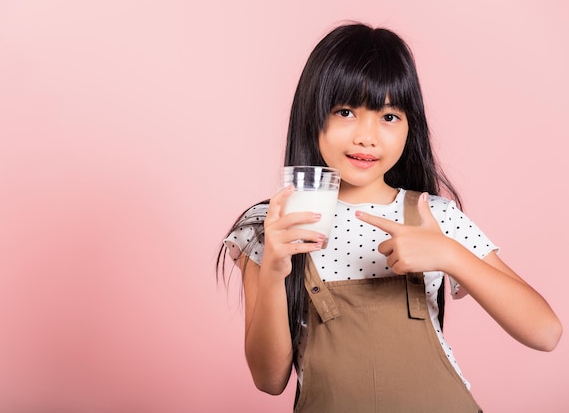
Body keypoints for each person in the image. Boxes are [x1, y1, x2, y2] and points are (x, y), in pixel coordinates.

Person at [216, 22, 562, 412]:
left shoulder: (434, 216)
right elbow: (269, 379)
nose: (368, 136)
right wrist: (274, 270)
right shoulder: (270, 225)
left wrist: (449, 255)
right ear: (312, 116)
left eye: (389, 116)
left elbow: (546, 332)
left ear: (410, 127)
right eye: (346, 111)